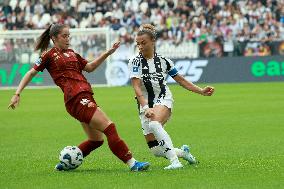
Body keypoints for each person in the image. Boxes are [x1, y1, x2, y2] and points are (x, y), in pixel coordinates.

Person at [8, 23, 150, 172]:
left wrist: (108, 53)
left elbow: (90, 67)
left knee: (96, 140)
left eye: (68, 35)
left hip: (84, 97)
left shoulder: (72, 53)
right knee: (109, 127)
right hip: (77, 99)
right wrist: (17, 94)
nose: (68, 38)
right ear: (54, 38)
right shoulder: (48, 55)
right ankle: (133, 163)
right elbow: (31, 73)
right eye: (64, 36)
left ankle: (65, 163)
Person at [128, 24, 214, 170]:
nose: (140, 47)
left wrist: (201, 91)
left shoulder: (164, 61)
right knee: (155, 150)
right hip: (144, 104)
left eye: (144, 43)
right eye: (138, 44)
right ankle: (183, 153)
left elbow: (180, 80)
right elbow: (136, 87)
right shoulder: (135, 62)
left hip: (163, 98)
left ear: (153, 41)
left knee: (155, 124)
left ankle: (175, 162)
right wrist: (145, 107)